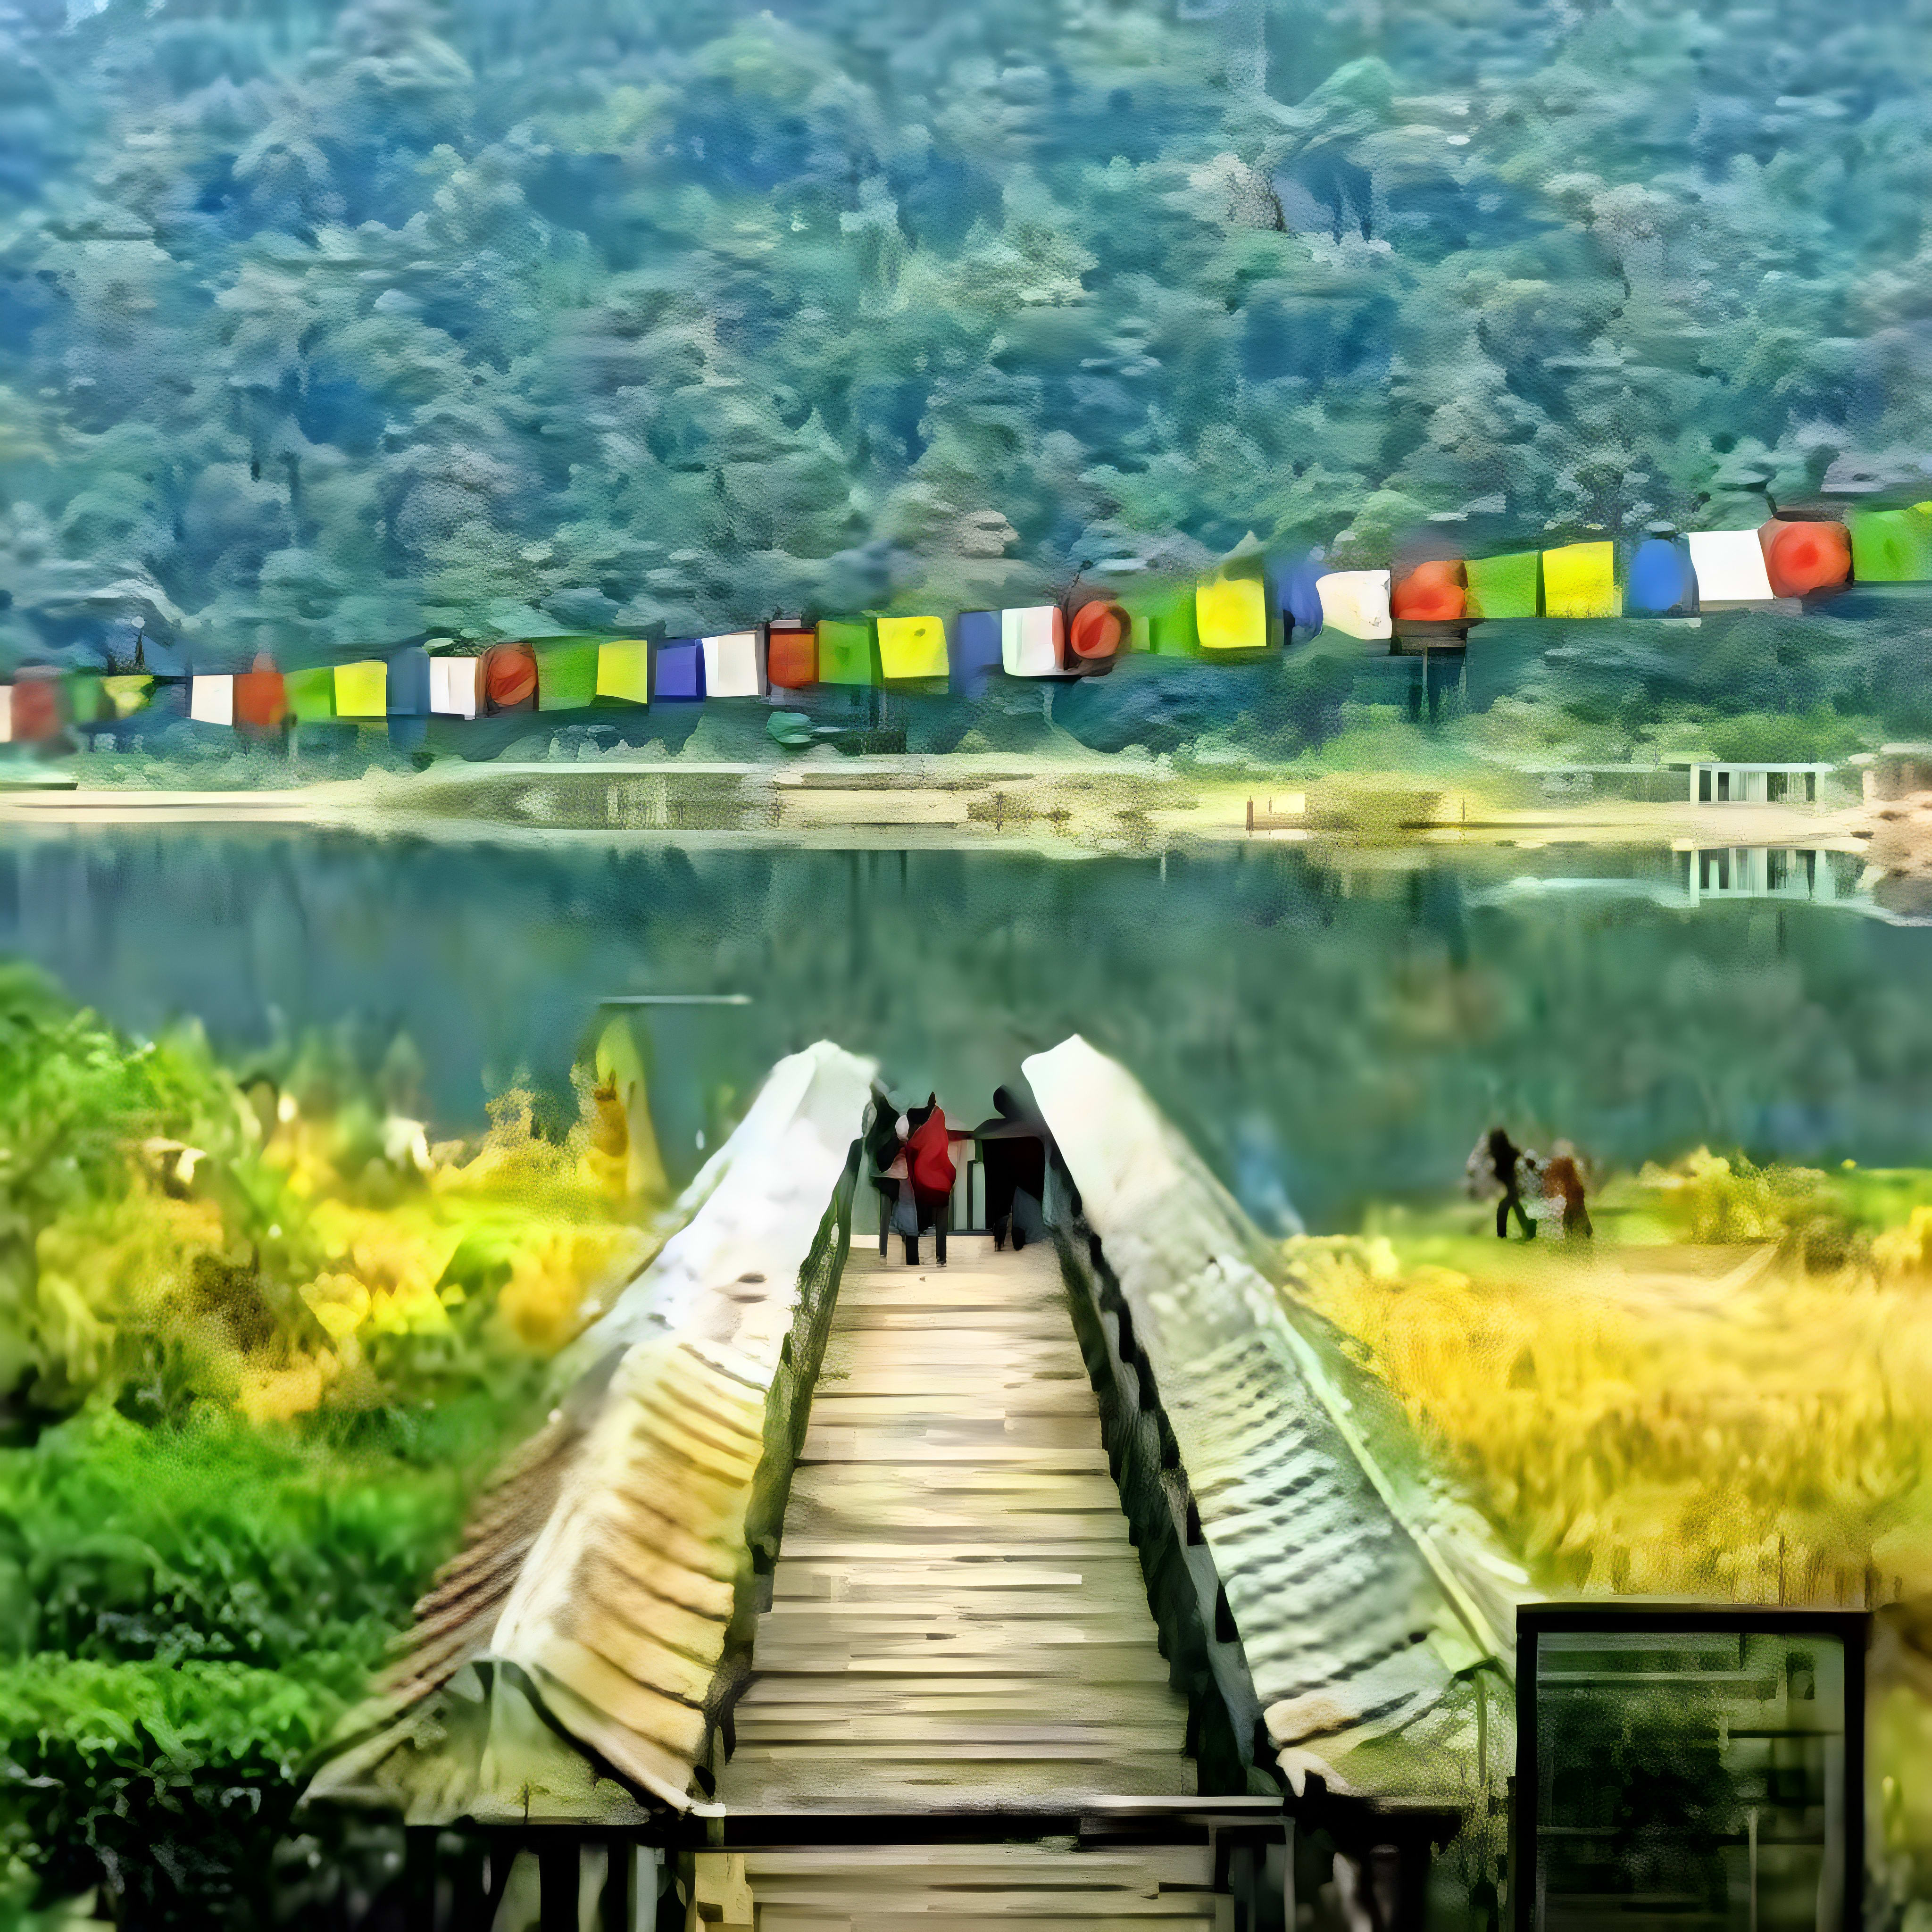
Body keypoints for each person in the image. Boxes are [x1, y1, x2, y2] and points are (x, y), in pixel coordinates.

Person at [973, 1086, 1049, 1253]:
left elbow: (978, 1135)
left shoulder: (990, 1127)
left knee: (1004, 1216)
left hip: (1002, 1186)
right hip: (1026, 1188)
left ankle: (1001, 1238)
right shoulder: (1031, 1128)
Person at [899, 1095, 957, 1266]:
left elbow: (911, 1154)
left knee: (915, 1223)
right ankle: (942, 1258)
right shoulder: (940, 1132)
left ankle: (913, 1260)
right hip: (943, 1184)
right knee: (942, 1223)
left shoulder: (918, 1136)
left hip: (924, 1186)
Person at [1466, 1125, 1536, 1240]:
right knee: (1511, 1208)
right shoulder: (1496, 1154)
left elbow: (1522, 1158)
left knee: (1504, 1209)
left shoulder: (1507, 1153)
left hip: (1513, 1186)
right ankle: (1526, 1228)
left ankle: (1506, 1236)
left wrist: (1529, 1163)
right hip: (1511, 1187)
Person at [863, 1082, 905, 1259]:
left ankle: (885, 1250)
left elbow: (871, 1146)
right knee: (893, 1214)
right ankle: (891, 1248)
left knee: (887, 1216)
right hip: (893, 1174)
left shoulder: (882, 1121)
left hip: (884, 1174)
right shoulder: (892, 1118)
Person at [1541, 1141, 1592, 1240]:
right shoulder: (1573, 1181)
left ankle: (1574, 1240)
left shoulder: (1567, 1180)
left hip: (1573, 1208)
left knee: (1572, 1226)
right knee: (1575, 1226)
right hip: (1574, 1207)